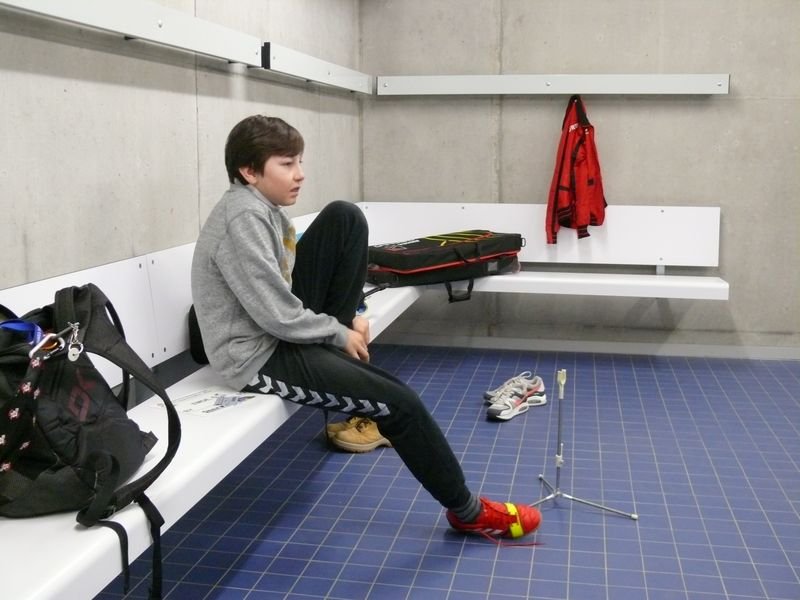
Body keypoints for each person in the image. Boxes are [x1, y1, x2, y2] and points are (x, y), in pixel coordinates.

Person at [191, 115, 541, 539]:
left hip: (275, 329)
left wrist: (349, 313)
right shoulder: (243, 218)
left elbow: (286, 284)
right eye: (286, 164)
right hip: (255, 354)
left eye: (299, 161)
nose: (300, 174)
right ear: (249, 171)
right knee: (399, 403)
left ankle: (339, 344)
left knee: (344, 217)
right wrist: (337, 333)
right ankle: (468, 512)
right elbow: (277, 315)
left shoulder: (260, 208)